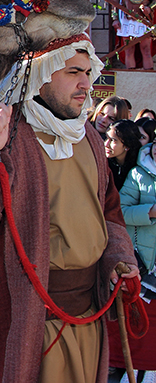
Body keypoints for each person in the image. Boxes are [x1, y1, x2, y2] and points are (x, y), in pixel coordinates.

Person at [0, 33, 139, 383]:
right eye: (73, 73)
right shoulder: (4, 134)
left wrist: (118, 259)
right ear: (40, 74)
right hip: (17, 322)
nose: (86, 84)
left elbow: (109, 212)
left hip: (85, 319)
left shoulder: (90, 138)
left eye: (88, 73)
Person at [108, 138, 156, 382]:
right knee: (139, 330)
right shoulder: (138, 174)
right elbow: (121, 211)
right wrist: (150, 212)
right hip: (145, 264)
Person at [104, 120, 142, 191]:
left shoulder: (139, 168)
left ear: (127, 145)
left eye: (113, 140)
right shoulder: (103, 163)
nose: (106, 144)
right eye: (106, 138)